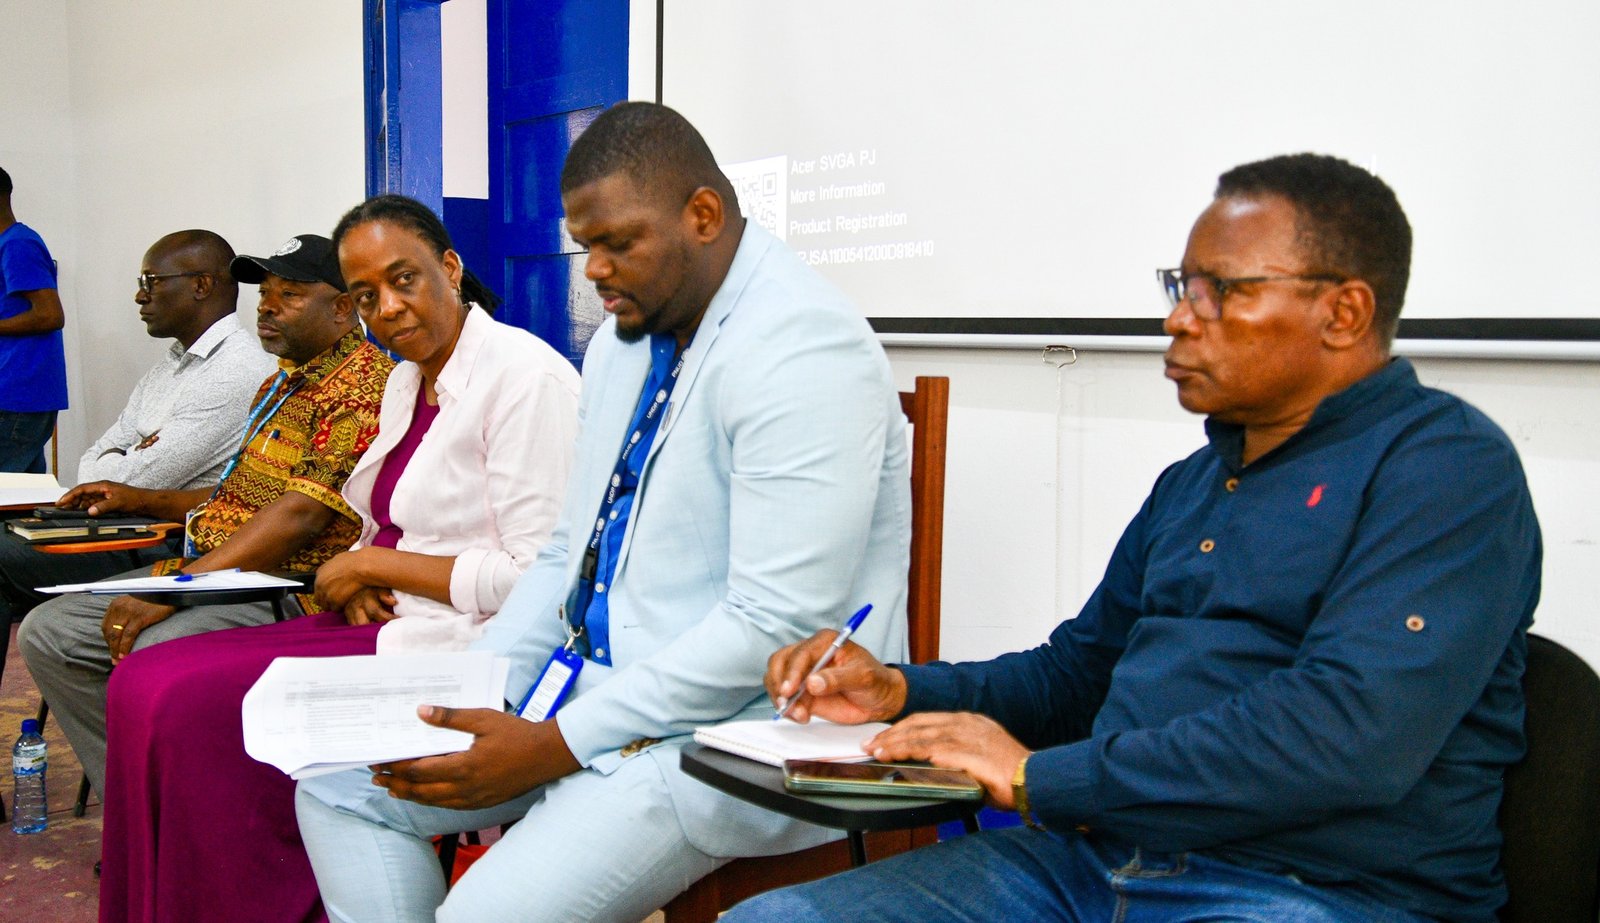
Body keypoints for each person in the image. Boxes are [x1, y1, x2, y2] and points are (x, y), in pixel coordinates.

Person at [725, 154, 1542, 923]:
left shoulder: (1446, 468)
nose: (1178, 318)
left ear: (1343, 313)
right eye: (1181, 287)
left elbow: (1345, 735)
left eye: (1221, 291)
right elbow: (1076, 676)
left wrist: (1036, 775)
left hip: (1315, 889)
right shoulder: (1193, 482)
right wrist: (901, 690)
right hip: (1095, 862)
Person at [294, 101, 911, 923]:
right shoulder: (629, 339)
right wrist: (476, 692)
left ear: (703, 215)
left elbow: (771, 627)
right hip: (594, 695)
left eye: (618, 243)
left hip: (737, 731)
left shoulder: (801, 346)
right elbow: (566, 551)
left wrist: (553, 744)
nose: (595, 271)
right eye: (586, 246)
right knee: (338, 787)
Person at [98, 195, 582, 923]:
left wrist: (373, 569)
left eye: (404, 279)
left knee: (182, 702)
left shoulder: (524, 379)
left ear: (451, 269)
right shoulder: (406, 378)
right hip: (380, 618)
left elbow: (539, 579)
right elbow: (388, 524)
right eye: (365, 295)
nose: (386, 308)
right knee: (146, 680)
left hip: (465, 645)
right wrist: (360, 569)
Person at [17, 232, 394, 796]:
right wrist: (140, 499)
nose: (267, 307)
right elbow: (236, 496)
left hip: (282, 583)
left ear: (343, 308)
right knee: (51, 633)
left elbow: (299, 517)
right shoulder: (283, 381)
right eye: (265, 293)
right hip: (212, 566)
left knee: (154, 651)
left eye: (289, 295)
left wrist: (177, 590)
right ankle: (140, 804)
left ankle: (184, 807)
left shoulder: (362, 389)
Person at [0, 230, 275, 628]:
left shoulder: (236, 370)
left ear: (201, 285)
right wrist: (130, 453)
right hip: (121, 524)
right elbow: (92, 467)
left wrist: (126, 455)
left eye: (152, 282)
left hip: (169, 541)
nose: (140, 296)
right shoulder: (172, 363)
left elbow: (131, 481)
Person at [0, 165, 68, 473]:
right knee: (25, 496)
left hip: (16, 397)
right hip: (19, 397)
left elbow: (50, 314)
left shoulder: (17, 244)